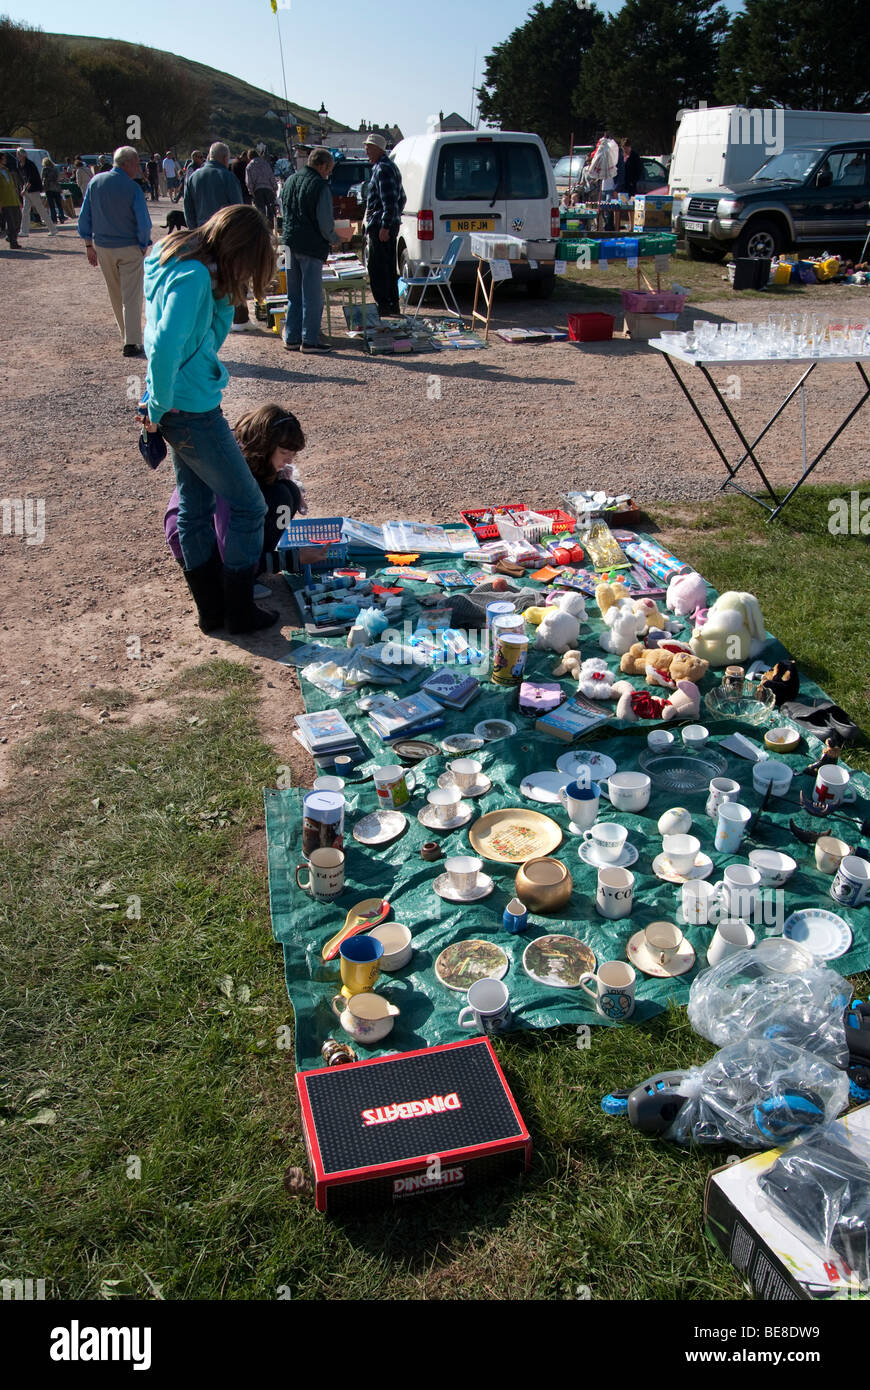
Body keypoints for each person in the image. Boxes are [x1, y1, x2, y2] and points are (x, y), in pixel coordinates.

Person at [141, 204, 278, 634]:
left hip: (180, 405)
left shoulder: (178, 258)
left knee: (196, 506)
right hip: (191, 410)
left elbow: (197, 340)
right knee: (250, 505)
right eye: (250, 267)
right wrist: (159, 405)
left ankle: (212, 611)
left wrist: (158, 404)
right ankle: (237, 611)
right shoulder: (197, 274)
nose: (246, 278)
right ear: (239, 251)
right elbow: (164, 344)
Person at [163, 405, 305, 576]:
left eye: (292, 454)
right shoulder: (230, 467)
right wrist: (293, 559)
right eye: (283, 453)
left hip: (211, 530)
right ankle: (245, 572)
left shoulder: (249, 451)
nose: (289, 460)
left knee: (288, 492)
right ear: (265, 445)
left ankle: (254, 565)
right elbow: (225, 531)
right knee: (280, 497)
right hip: (194, 543)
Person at [77, 145, 153, 357]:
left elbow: (85, 216)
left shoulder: (95, 182)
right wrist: (143, 244)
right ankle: (132, 341)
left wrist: (88, 245)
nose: (138, 167)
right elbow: (143, 222)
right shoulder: (132, 188)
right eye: (137, 163)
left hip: (103, 247)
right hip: (128, 247)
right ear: (127, 163)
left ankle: (126, 336)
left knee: (115, 293)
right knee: (132, 295)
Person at [280, 146, 336, 353]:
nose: (329, 173)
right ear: (321, 165)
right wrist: (334, 238)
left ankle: (292, 336)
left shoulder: (290, 181)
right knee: (312, 296)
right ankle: (310, 339)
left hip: (289, 241)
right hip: (310, 245)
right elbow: (324, 221)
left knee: (293, 294)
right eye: (329, 169)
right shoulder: (320, 186)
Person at [363, 133, 405, 317]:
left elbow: (390, 202)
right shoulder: (388, 167)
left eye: (369, 148)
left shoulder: (383, 169)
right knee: (386, 267)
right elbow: (401, 198)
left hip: (381, 225)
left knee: (378, 268)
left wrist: (385, 226)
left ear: (378, 149)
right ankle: (390, 305)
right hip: (384, 223)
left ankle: (385, 306)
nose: (366, 152)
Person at [184, 142, 241, 229]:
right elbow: (238, 209)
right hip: (223, 231)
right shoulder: (229, 177)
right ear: (225, 158)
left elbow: (188, 210)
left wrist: (194, 230)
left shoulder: (193, 177)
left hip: (201, 230)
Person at [15, 148, 54, 239]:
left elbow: (31, 178)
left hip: (33, 190)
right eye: (18, 155)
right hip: (27, 190)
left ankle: (52, 229)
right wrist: (23, 188)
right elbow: (22, 178)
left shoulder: (30, 164)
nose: (18, 156)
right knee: (25, 211)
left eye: (19, 154)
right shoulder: (20, 165)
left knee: (40, 209)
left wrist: (25, 189)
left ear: (24, 155)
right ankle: (24, 231)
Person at [245, 146, 278, 228]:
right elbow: (271, 176)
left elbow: (249, 182)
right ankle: (272, 227)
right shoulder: (265, 163)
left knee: (260, 212)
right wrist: (275, 187)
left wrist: (251, 191)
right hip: (268, 188)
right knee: (271, 210)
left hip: (257, 190)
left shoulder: (249, 166)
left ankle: (263, 228)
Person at [0, 153, 23, 248]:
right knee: (11, 223)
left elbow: (13, 186)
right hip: (5, 201)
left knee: (18, 220)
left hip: (14, 199)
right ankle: (13, 243)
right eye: (4, 158)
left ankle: (11, 237)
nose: (5, 160)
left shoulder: (7, 170)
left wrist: (19, 200)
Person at [41, 158, 66, 225]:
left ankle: (54, 219)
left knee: (52, 205)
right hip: (56, 187)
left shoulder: (45, 169)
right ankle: (62, 218)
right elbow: (58, 178)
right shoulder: (55, 169)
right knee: (59, 204)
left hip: (49, 188)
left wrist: (43, 187)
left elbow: (43, 178)